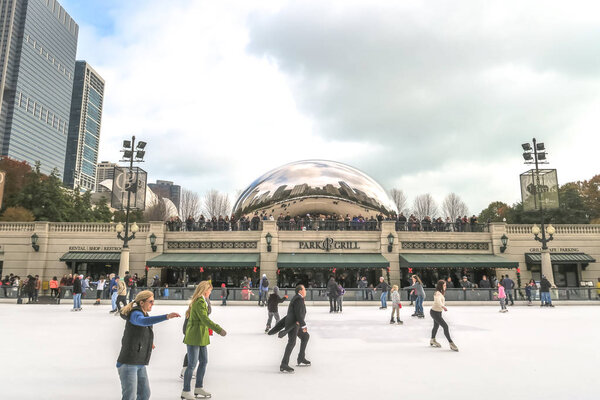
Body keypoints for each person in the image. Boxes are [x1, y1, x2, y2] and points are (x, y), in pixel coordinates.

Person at [117, 290, 180, 400]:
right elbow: (143, 322)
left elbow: (141, 331)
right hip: (128, 362)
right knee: (129, 396)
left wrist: (149, 343)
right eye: (150, 301)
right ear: (142, 302)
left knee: (144, 394)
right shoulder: (135, 314)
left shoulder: (143, 313)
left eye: (153, 301)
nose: (153, 304)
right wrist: (166, 316)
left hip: (139, 361)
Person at [181, 281, 227, 399]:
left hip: (201, 336)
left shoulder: (202, 301)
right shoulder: (199, 302)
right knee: (192, 365)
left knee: (204, 361)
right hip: (194, 336)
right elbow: (204, 319)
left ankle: (198, 387)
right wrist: (218, 329)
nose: (210, 293)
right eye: (210, 290)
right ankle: (185, 391)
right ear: (205, 290)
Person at [276, 284, 310, 373]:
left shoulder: (298, 298)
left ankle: (301, 358)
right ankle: (284, 364)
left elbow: (299, 312)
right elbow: (298, 313)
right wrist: (303, 325)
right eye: (304, 289)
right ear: (300, 291)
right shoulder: (298, 299)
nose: (305, 291)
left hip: (296, 323)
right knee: (292, 342)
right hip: (293, 324)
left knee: (305, 336)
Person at [429, 280, 458, 351]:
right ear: (440, 286)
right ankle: (451, 343)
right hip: (434, 312)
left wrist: (442, 307)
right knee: (445, 326)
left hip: (438, 312)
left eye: (445, 285)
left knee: (436, 326)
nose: (445, 287)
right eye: (444, 285)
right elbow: (438, 301)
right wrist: (443, 306)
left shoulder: (440, 293)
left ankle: (432, 339)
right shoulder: (437, 293)